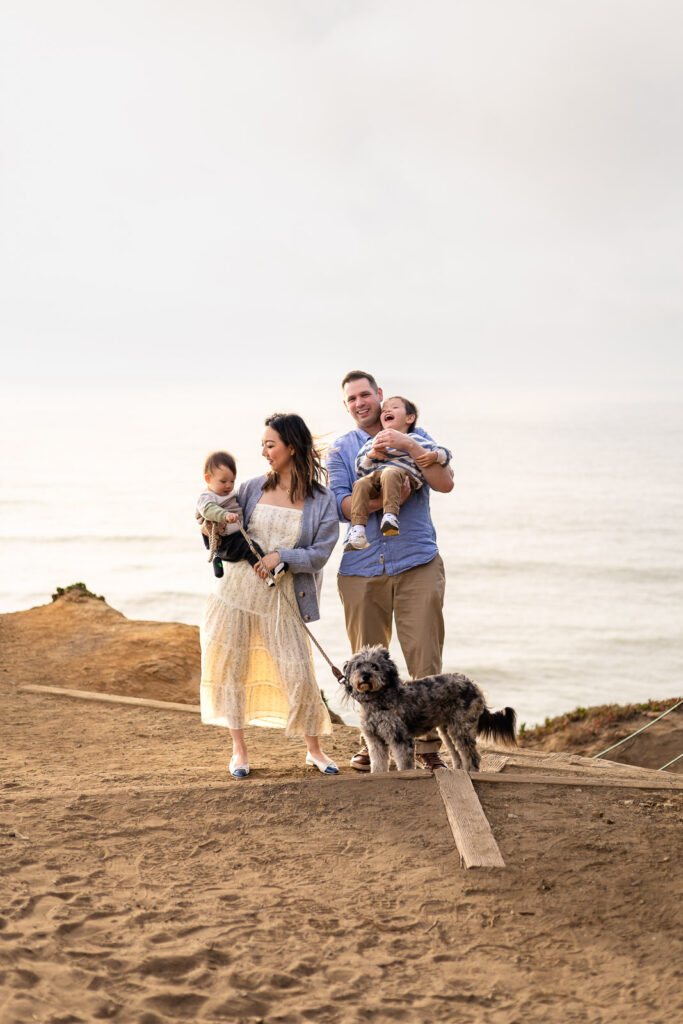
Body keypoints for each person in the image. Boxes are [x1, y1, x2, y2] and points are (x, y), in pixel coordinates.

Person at [200, 413, 340, 778]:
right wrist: (209, 525)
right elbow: (223, 535)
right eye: (263, 443)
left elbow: (321, 552)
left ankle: (314, 750)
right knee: (233, 671)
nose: (263, 451)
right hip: (234, 595)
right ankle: (239, 751)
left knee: (299, 672)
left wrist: (282, 557)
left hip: (283, 600)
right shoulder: (249, 488)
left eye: (270, 444)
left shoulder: (322, 500)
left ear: (291, 447)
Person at [326, 371, 454, 772]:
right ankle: (374, 743)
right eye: (352, 398)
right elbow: (341, 506)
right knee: (365, 666)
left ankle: (429, 749)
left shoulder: (416, 435)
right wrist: (391, 495)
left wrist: (409, 447)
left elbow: (444, 482)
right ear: (345, 405)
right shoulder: (341, 449)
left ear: (380, 396)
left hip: (417, 560)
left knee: (424, 658)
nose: (360, 402)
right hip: (361, 568)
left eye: (366, 394)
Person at [345, 395, 451, 551]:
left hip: (404, 476)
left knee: (390, 473)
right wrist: (371, 455)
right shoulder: (374, 441)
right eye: (385, 409)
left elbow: (445, 453)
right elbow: (361, 468)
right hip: (378, 478)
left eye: (394, 407)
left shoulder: (415, 438)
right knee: (360, 484)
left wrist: (434, 456)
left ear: (409, 418)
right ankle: (358, 530)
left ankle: (390, 517)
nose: (387, 409)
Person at [196, 450, 286, 583]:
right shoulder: (207, 497)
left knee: (251, 546)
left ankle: (269, 572)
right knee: (249, 548)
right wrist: (225, 516)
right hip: (225, 542)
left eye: (232, 481)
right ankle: (268, 575)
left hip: (236, 536)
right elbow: (208, 510)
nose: (228, 485)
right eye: (223, 481)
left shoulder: (227, 493)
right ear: (208, 479)